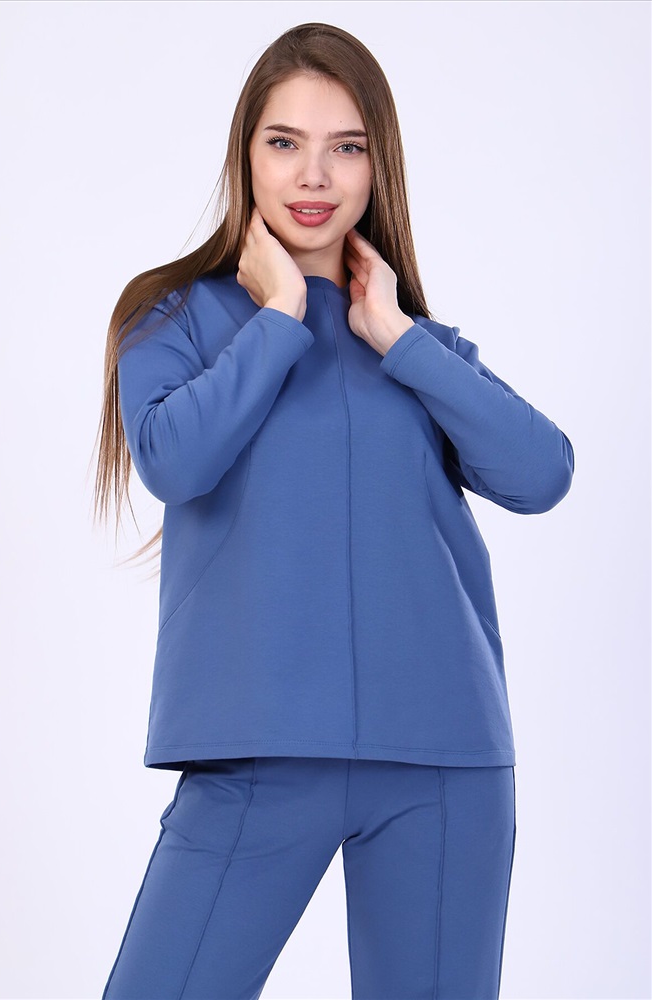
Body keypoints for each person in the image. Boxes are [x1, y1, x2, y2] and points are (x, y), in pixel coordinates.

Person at [92, 21, 575, 1000]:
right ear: (245, 154)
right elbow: (175, 460)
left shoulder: (413, 342)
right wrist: (278, 317)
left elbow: (541, 473)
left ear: (376, 164)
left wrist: (396, 334)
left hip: (442, 760)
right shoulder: (173, 316)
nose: (313, 174)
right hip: (254, 754)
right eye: (285, 142)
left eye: (345, 147)